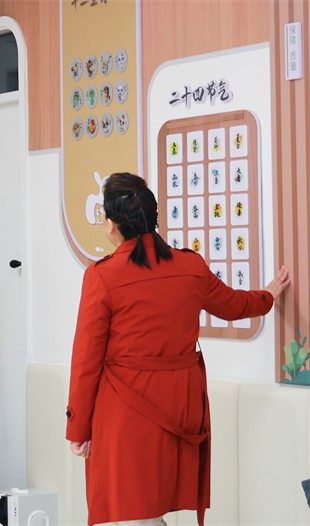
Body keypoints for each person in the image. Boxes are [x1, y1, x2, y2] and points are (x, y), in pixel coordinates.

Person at [65, 172, 291, 526]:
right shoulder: (190, 266)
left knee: (131, 511)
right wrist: (268, 295)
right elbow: (234, 305)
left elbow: (86, 361)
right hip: (181, 408)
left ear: (112, 224)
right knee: (151, 509)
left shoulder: (102, 276)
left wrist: (78, 429)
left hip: (125, 413)